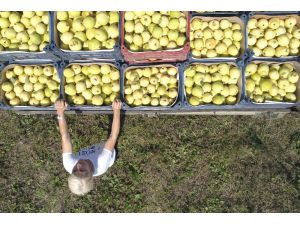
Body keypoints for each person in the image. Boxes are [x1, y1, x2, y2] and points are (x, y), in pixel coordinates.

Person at [55, 99, 122, 196]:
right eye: (82, 170)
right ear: (90, 173)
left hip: (91, 151)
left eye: (74, 171)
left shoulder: (68, 164)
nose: (78, 166)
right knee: (110, 143)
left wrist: (60, 112)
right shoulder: (102, 161)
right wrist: (116, 110)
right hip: (107, 153)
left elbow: (65, 136)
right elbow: (113, 136)